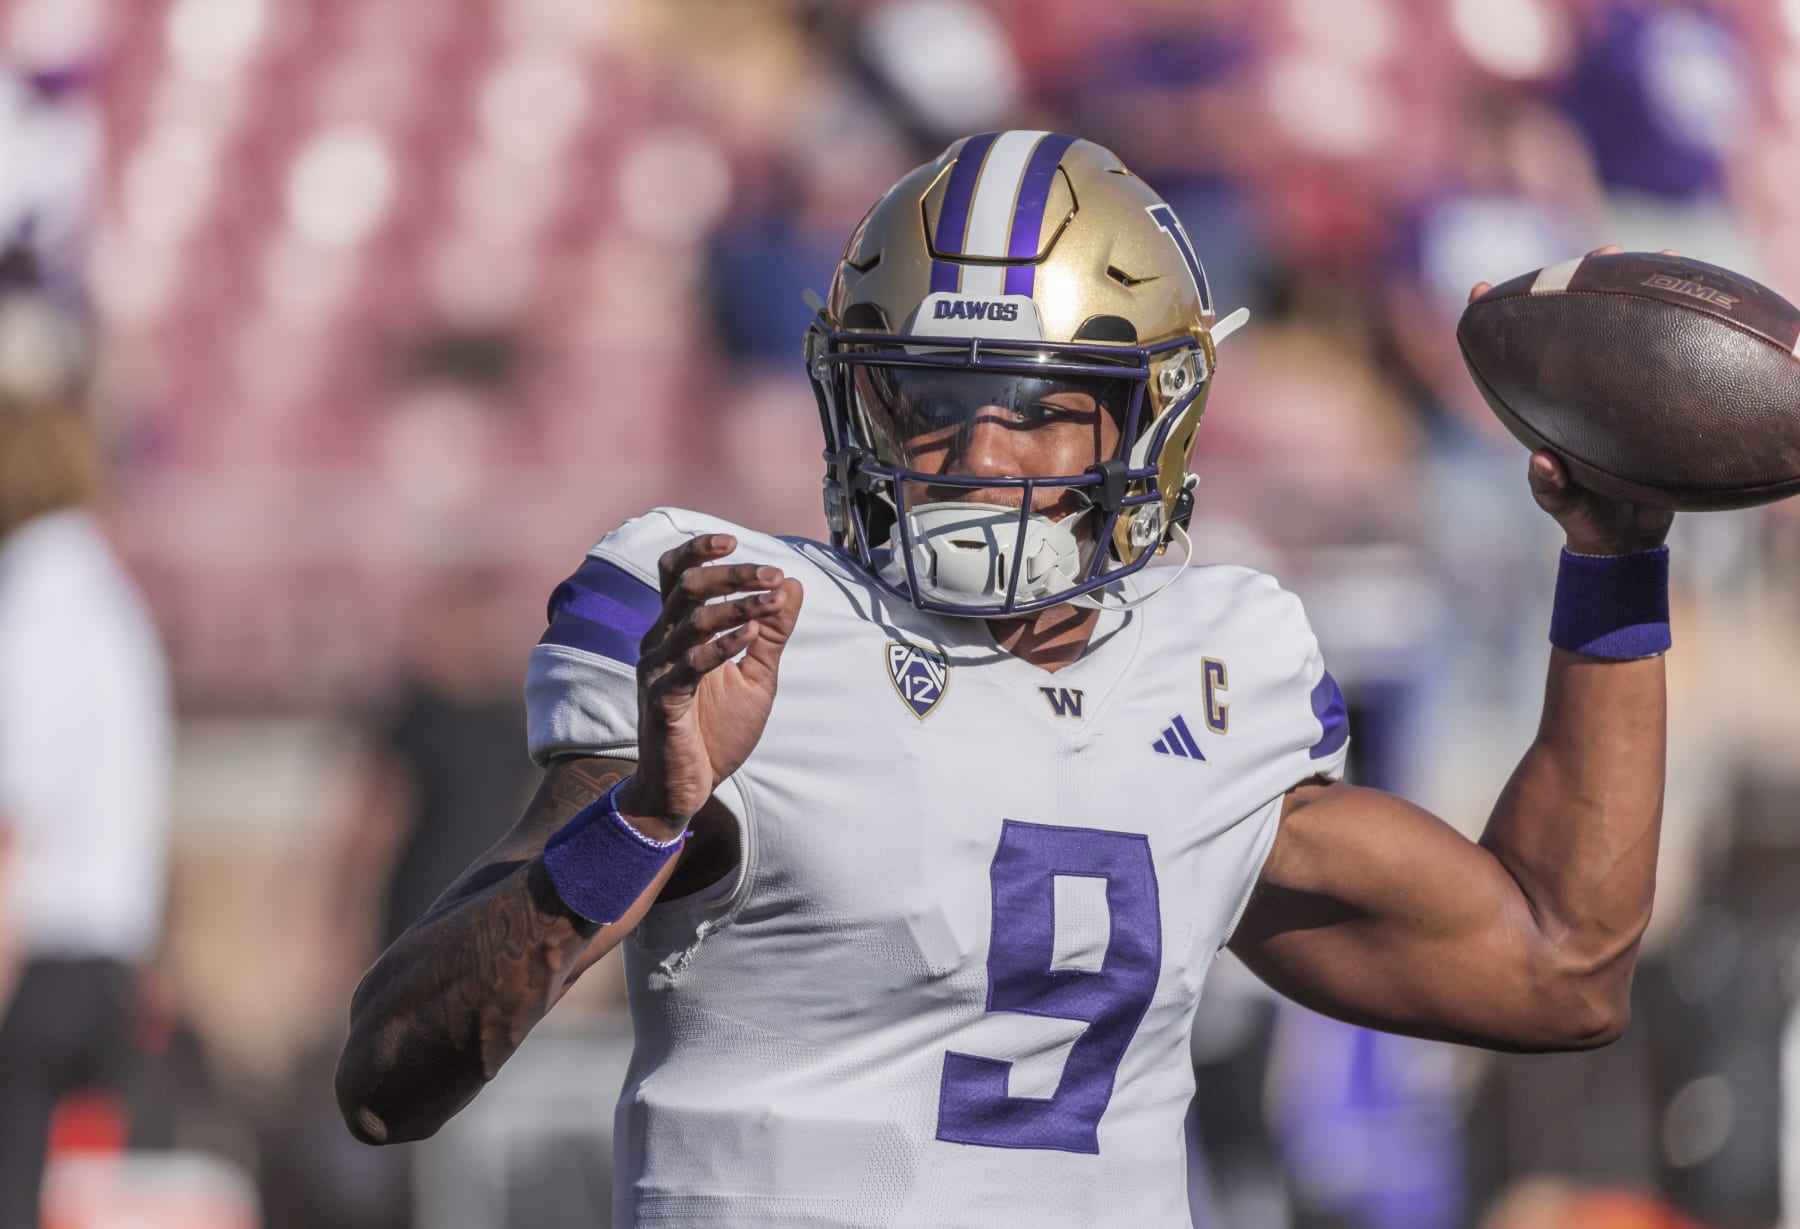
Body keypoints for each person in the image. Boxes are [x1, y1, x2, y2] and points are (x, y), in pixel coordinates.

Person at [336, 133, 1672, 1227]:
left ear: (1149, 417)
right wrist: (644, 811)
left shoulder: (1222, 666)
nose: (978, 452)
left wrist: (1613, 560)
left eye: (1038, 403)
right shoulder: (742, 624)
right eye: (929, 397)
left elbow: (1558, 970)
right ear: (862, 405)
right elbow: (391, 1079)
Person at [0, 346, 173, 1227]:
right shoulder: (106, 597)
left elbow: (13, 811)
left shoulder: (34, 597)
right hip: (104, 956)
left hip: (42, 956)